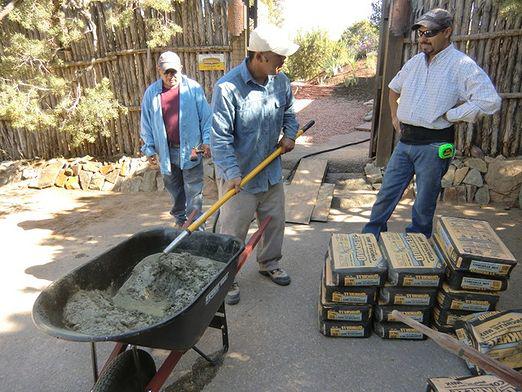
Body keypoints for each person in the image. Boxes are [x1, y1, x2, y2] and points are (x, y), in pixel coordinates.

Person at [362, 8, 501, 239]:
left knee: (424, 202)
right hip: (405, 141)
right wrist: (395, 118)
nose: (423, 37)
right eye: (420, 32)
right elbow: (393, 89)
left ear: (447, 32)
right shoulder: (415, 62)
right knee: (386, 194)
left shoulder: (461, 65)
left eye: (430, 32)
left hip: (434, 145)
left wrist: (452, 116)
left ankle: (416, 246)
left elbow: (490, 101)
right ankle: (369, 237)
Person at [211, 24, 300, 305]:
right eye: (278, 57)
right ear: (260, 56)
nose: (283, 62)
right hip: (240, 177)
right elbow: (220, 138)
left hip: (270, 172)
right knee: (233, 231)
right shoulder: (227, 88)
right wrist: (232, 174)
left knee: (274, 222)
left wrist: (290, 134)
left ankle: (269, 263)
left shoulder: (281, 82)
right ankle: (227, 277)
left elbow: (290, 113)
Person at [140, 51, 212, 227]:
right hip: (166, 151)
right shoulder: (152, 93)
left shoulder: (193, 88)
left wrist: (207, 141)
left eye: (174, 71)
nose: (171, 76)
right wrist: (148, 148)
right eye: (166, 72)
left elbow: (206, 117)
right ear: (159, 70)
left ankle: (196, 226)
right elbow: (146, 123)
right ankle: (181, 222)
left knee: (194, 190)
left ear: (181, 68)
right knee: (175, 190)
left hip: (192, 150)